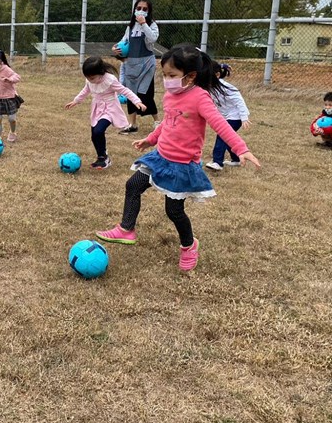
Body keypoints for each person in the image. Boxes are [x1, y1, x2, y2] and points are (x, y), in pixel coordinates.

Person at [96, 44, 261, 271]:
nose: (167, 80)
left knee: (173, 211)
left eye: (172, 75)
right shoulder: (171, 96)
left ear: (190, 76)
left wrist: (241, 148)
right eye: (164, 75)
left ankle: (189, 245)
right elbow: (167, 122)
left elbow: (220, 124)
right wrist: (151, 139)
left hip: (182, 165)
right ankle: (126, 229)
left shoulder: (200, 98)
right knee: (133, 185)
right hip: (160, 157)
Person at [65, 56, 146, 169]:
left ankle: (104, 158)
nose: (89, 80)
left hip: (110, 109)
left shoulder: (110, 80)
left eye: (92, 77)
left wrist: (137, 101)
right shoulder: (89, 80)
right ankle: (101, 157)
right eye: (87, 77)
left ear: (101, 73)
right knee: (94, 135)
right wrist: (76, 101)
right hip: (97, 109)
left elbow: (124, 90)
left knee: (99, 131)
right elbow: (85, 90)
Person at [113, 0, 160, 134]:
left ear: (149, 11)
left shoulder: (152, 25)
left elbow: (152, 39)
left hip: (146, 65)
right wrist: (115, 48)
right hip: (131, 65)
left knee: (145, 93)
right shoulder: (130, 27)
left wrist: (143, 24)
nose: (141, 10)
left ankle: (157, 122)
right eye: (139, 7)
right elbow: (124, 41)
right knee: (130, 94)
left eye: (145, 9)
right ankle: (132, 124)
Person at [205, 62, 251, 170]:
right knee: (228, 138)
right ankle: (236, 160)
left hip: (236, 117)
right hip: (226, 116)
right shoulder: (209, 86)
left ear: (216, 75)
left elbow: (239, 100)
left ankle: (217, 162)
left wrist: (244, 117)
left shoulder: (225, 87)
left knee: (222, 135)